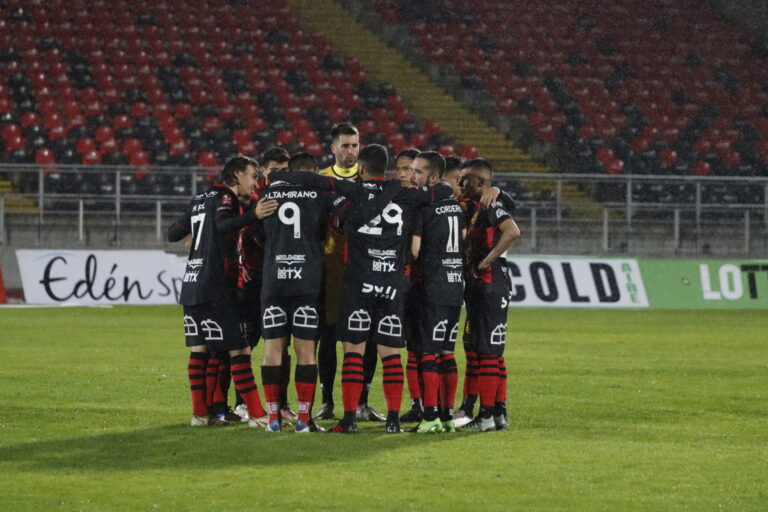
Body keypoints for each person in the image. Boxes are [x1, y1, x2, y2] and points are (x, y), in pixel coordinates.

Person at [270, 144, 453, 434]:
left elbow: (313, 181)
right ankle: (393, 422)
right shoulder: (407, 195)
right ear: (388, 168)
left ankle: (350, 420)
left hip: (358, 283)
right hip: (392, 284)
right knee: (390, 354)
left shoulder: (352, 191)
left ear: (362, 169)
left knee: (353, 353)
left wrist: (278, 179)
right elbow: (443, 193)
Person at [167, 155, 278, 428]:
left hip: (193, 283)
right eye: (252, 176)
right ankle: (257, 415)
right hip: (217, 286)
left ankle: (200, 415)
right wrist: (254, 214)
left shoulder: (199, 198)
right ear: (237, 174)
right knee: (239, 350)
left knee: (201, 350)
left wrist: (198, 234)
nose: (255, 183)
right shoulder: (226, 198)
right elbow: (221, 223)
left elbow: (172, 233)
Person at [316, 123, 385, 423]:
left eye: (355, 145)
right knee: (328, 336)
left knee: (366, 336)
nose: (350, 151)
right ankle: (327, 402)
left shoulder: (369, 179)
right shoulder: (321, 180)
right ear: (332, 149)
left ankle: (362, 402)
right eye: (345, 145)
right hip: (330, 270)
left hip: (365, 269)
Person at [233, 146, 297, 423]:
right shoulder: (255, 200)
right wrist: (243, 266)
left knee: (282, 346)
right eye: (274, 171)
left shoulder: (294, 200)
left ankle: (281, 403)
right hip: (255, 280)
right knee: (246, 342)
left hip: (282, 281)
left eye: (285, 170)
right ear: (264, 172)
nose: (279, 175)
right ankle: (243, 403)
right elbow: (240, 232)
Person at [458, 158, 520, 432]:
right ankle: (497, 414)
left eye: (465, 179)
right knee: (478, 348)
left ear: (481, 182)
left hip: (491, 285)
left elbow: (512, 231)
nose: (460, 184)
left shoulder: (491, 205)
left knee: (488, 352)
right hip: (478, 287)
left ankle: (486, 416)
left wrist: (487, 260)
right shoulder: (473, 206)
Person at [409, 151, 466, 433]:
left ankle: (430, 416)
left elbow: (415, 250)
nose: (412, 176)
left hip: (432, 287)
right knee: (447, 352)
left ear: (432, 177)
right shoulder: (455, 205)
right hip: (455, 286)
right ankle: (445, 416)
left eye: (418, 172)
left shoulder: (425, 207)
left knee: (428, 353)